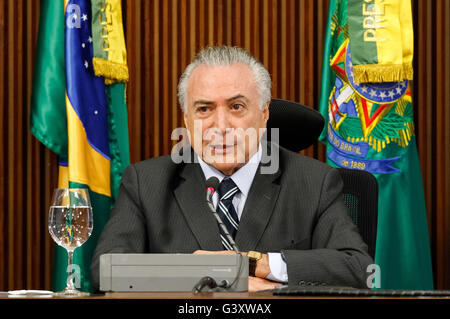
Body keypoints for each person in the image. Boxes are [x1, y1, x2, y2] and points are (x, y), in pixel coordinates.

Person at [91, 46, 373, 292]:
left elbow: (359, 269)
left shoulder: (314, 182)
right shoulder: (146, 183)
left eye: (236, 106)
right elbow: (107, 271)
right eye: (204, 109)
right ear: (187, 121)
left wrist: (255, 264)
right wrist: (220, 275)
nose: (221, 126)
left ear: (264, 115)